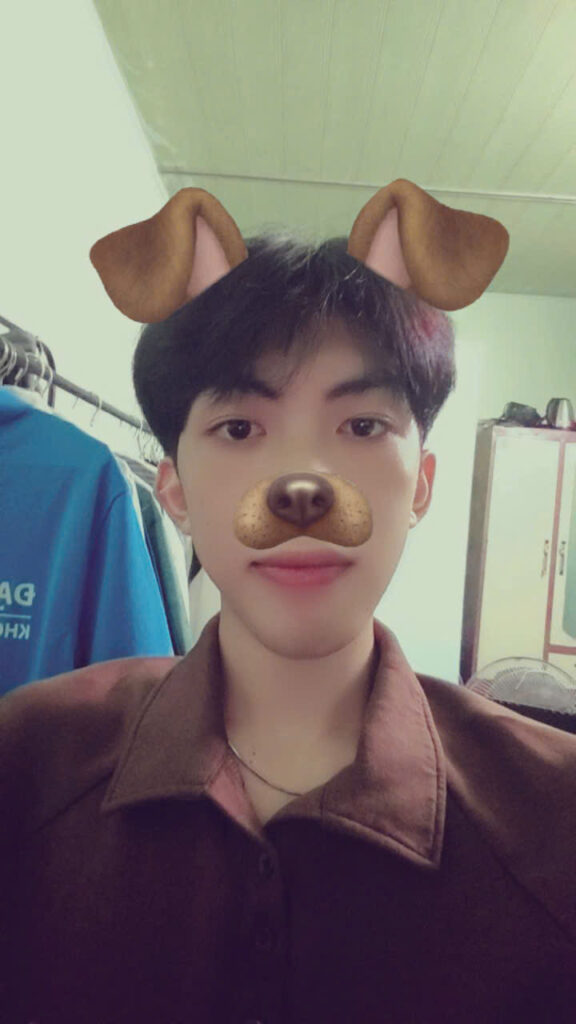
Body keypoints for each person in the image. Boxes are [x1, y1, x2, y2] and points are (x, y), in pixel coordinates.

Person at [1, 222, 575, 1023]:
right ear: (174, 491)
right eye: (239, 429)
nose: (302, 486)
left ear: (421, 485)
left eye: (362, 426)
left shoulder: (555, 814)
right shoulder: (28, 760)